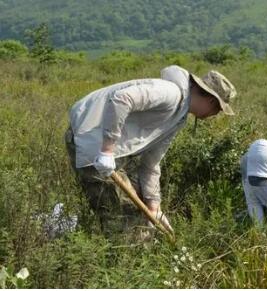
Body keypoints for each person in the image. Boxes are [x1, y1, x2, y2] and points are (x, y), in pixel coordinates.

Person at [65, 65, 236, 238]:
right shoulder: (170, 93)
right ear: (212, 101)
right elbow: (122, 99)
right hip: (92, 139)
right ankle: (121, 256)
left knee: (141, 210)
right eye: (218, 110)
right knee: (122, 216)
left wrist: (155, 207)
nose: (215, 115)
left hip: (116, 151)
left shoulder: (178, 118)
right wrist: (107, 150)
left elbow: (152, 162)